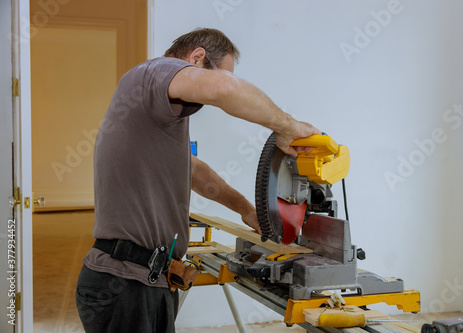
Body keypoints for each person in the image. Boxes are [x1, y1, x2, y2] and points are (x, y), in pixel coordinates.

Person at [76, 28, 320, 332]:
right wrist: (289, 127)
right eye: (224, 74)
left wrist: (244, 208)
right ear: (198, 57)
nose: (207, 98)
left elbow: (192, 170)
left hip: (144, 281)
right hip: (125, 282)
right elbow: (226, 90)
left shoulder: (154, 109)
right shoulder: (155, 71)